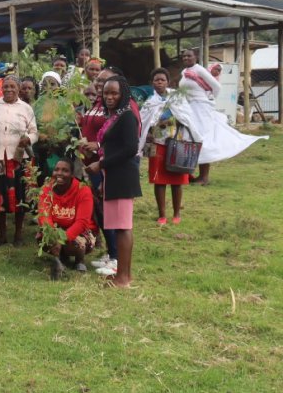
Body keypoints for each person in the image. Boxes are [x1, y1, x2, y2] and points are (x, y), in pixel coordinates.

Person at [176, 49, 268, 185]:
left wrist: (209, 99)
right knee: (188, 138)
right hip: (189, 108)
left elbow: (216, 86)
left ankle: (204, 177)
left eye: (189, 56)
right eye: (184, 56)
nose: (186, 58)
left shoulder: (200, 70)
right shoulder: (184, 72)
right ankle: (188, 173)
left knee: (202, 139)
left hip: (201, 109)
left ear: (196, 57)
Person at [84, 75, 141, 288]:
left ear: (123, 94)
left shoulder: (127, 116)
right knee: (118, 226)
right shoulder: (115, 116)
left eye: (114, 93)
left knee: (123, 227)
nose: (109, 97)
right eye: (106, 93)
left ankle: (123, 278)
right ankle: (123, 274)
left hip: (122, 176)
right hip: (113, 176)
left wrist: (101, 164)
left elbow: (130, 149)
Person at [0, 74, 38, 248]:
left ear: (18, 89)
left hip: (18, 159)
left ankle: (18, 234)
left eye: (12, 86)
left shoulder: (26, 108)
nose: (8, 89)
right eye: (6, 86)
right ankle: (2, 235)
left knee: (19, 196)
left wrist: (28, 139)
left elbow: (34, 132)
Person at [139, 67, 195, 225]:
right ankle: (162, 215)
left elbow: (187, 117)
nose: (159, 82)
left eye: (162, 80)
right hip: (157, 145)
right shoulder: (150, 102)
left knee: (177, 180)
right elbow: (143, 122)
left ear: (168, 82)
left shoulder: (177, 98)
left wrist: (176, 117)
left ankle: (177, 214)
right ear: (152, 83)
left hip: (176, 144)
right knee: (159, 181)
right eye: (156, 80)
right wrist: (149, 131)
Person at [37, 158, 97, 280]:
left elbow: (82, 222)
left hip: (77, 231)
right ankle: (61, 256)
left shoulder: (83, 190)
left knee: (76, 244)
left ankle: (79, 260)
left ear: (72, 174)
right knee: (43, 239)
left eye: (65, 170)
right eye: (56, 170)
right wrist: (53, 236)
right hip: (56, 229)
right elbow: (44, 216)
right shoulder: (46, 189)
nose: (59, 173)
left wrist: (61, 240)